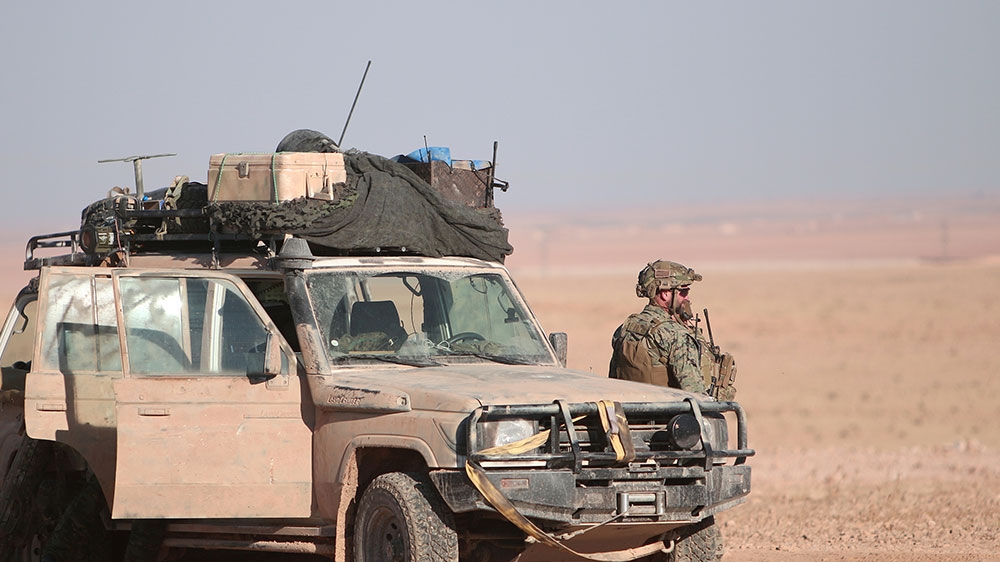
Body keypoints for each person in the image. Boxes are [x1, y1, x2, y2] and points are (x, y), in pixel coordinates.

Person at [609, 260, 707, 393]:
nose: (687, 297)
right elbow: (696, 394)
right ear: (665, 293)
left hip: (629, 412)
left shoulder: (624, 329)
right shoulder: (676, 335)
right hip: (667, 412)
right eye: (683, 292)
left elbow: (613, 380)